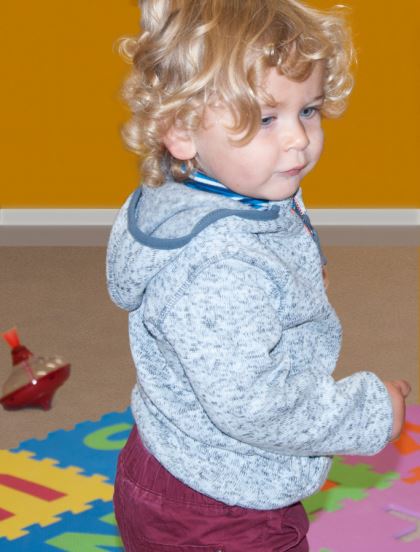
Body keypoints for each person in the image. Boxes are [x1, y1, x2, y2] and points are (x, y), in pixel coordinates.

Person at [106, 1, 411, 550]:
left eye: (308, 110)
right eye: (266, 119)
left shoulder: (207, 185)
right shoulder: (219, 270)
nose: (297, 139)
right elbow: (255, 406)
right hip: (222, 509)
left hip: (179, 461)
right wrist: (370, 412)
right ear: (181, 130)